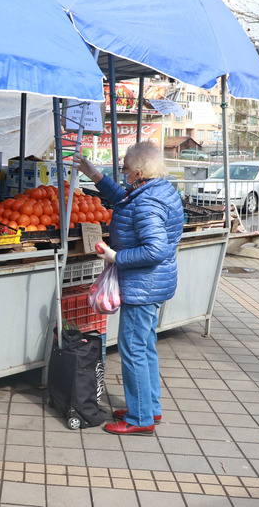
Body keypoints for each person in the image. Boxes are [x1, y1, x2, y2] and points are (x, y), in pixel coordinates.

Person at [75, 143, 184, 436]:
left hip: (143, 285)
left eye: (123, 168)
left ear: (138, 172)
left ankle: (139, 418)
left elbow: (155, 249)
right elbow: (125, 200)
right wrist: (95, 175)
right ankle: (149, 407)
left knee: (133, 349)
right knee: (145, 346)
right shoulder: (156, 190)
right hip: (152, 283)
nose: (121, 171)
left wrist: (115, 257)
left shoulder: (148, 203)